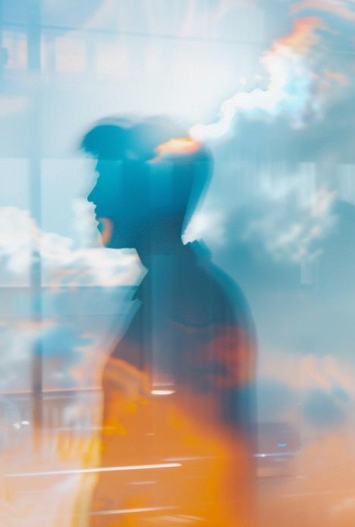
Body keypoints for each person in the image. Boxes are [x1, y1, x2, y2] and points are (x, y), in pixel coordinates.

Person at [80, 117, 256, 526]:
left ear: (144, 193)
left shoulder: (186, 301)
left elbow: (188, 458)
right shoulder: (176, 292)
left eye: (106, 178)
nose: (92, 196)